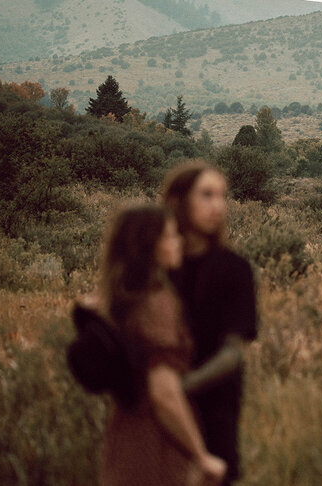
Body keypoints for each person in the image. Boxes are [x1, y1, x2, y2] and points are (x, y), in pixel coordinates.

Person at [94, 203, 226, 486]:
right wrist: (200, 455)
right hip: (158, 445)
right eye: (170, 236)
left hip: (123, 441)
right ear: (151, 245)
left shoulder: (125, 300)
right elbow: (163, 393)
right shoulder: (158, 303)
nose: (179, 242)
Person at [161, 161, 258, 486]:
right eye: (206, 195)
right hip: (156, 412)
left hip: (215, 406)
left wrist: (179, 388)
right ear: (178, 201)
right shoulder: (156, 269)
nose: (218, 205)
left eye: (222, 196)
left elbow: (233, 352)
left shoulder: (235, 269)